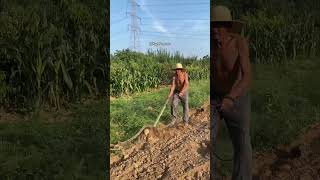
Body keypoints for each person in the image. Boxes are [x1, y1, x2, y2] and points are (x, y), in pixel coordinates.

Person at [210, 5, 253, 180]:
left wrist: (231, 97)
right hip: (214, 97)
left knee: (242, 144)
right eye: (212, 25)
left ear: (228, 27)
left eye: (219, 25)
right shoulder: (208, 45)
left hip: (237, 97)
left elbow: (247, 76)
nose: (214, 30)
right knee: (205, 141)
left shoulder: (238, 43)